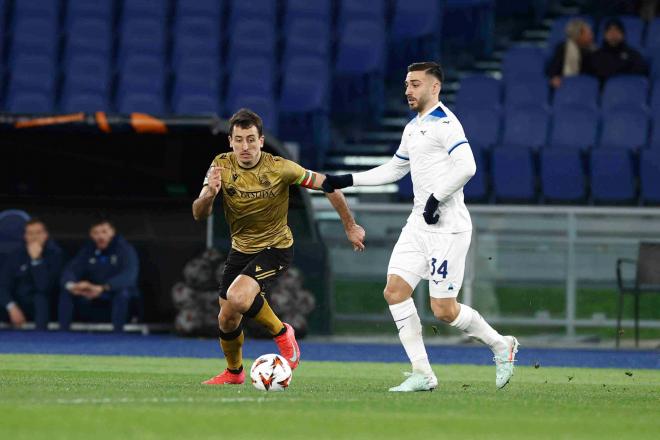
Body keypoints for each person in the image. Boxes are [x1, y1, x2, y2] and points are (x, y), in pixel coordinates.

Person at [323, 62, 519, 392]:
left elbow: (467, 167)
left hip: (448, 229)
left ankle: (501, 345)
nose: (408, 91)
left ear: (434, 88)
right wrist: (347, 179)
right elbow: (395, 170)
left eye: (415, 84)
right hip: (418, 225)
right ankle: (423, 373)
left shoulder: (446, 124)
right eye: (406, 84)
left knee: (443, 310)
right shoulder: (413, 127)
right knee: (394, 291)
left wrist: (435, 200)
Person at [193, 108, 365, 385]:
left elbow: (328, 184)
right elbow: (199, 213)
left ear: (261, 140)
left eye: (251, 139)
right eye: (239, 140)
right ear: (230, 141)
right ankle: (234, 373)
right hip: (241, 249)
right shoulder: (220, 166)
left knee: (238, 297)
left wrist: (350, 225)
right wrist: (209, 195)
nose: (245, 146)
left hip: (276, 247)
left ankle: (283, 333)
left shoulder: (280, 167)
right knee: (226, 318)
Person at [58, 219, 140, 332]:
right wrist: (74, 286)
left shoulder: (125, 249)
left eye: (104, 232)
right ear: (91, 234)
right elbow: (70, 271)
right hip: (93, 295)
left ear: (112, 232)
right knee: (67, 292)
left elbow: (129, 276)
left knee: (123, 293)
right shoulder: (88, 250)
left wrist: (103, 288)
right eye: (96, 233)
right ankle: (63, 335)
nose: (100, 236)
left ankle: (118, 335)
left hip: (114, 294)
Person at [0, 218, 63, 330]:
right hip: (16, 303)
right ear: (25, 236)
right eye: (30, 233)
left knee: (40, 299)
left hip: (43, 305)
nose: (34, 237)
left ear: (46, 235)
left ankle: (40, 340)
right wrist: (12, 307)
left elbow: (43, 287)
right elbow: (3, 285)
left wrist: (36, 261)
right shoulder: (15, 255)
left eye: (38, 233)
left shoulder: (55, 255)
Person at [589, 18, 648, 82]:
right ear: (605, 35)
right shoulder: (596, 56)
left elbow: (639, 73)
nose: (613, 33)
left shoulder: (633, 55)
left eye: (617, 30)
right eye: (610, 30)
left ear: (623, 34)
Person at [546, 18, 595, 88]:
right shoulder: (562, 48)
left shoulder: (592, 51)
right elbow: (553, 67)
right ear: (578, 35)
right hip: (564, 86)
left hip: (584, 86)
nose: (591, 36)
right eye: (588, 34)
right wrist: (554, 77)